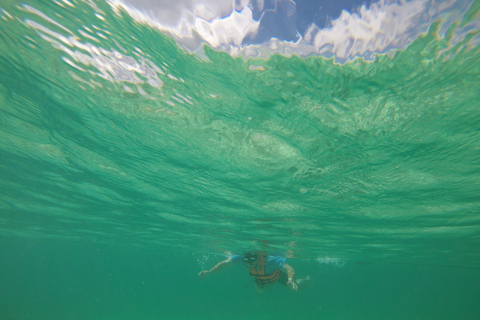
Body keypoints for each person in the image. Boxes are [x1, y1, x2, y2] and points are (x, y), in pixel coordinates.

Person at [198, 251, 311, 293]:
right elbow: (225, 264)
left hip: (278, 276)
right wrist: (210, 272)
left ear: (258, 256)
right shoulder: (242, 258)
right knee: (259, 291)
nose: (250, 262)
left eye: (253, 259)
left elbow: (289, 268)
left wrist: (291, 279)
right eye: (247, 259)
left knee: (294, 288)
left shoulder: (270, 259)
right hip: (262, 281)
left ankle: (307, 280)